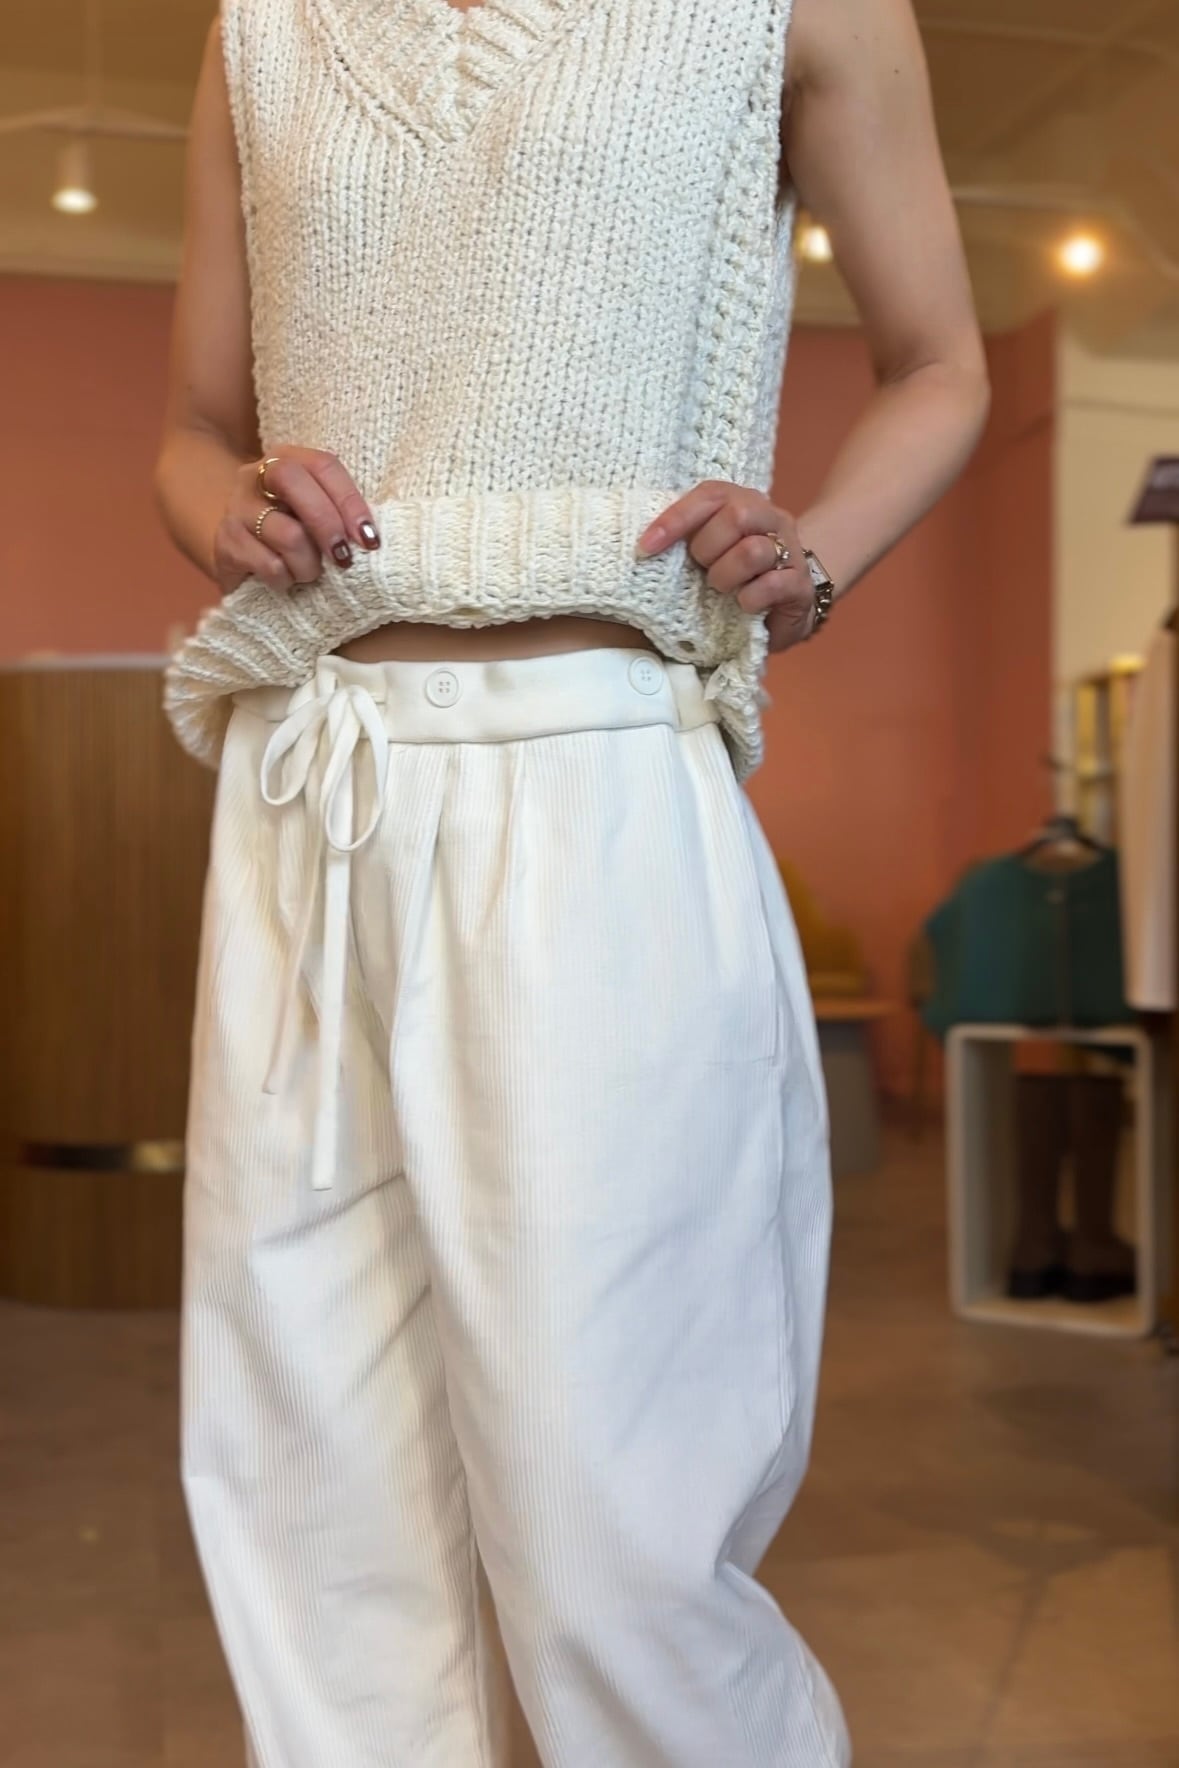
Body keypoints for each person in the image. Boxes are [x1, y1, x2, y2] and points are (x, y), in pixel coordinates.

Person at [154, 0, 988, 1761]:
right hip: (311, 790)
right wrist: (224, 505)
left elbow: (940, 365)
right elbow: (194, 425)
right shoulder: (261, 29)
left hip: (598, 778)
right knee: (312, 1498)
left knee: (617, 1533)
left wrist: (813, 560)